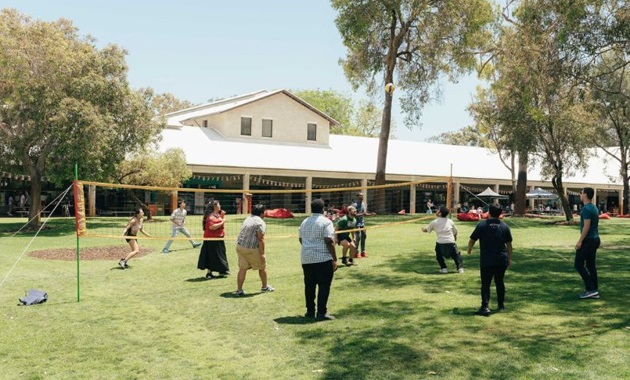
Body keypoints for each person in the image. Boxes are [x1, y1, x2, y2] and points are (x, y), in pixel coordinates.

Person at [467, 204, 513, 316]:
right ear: (500, 213)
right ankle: (501, 305)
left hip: (487, 260)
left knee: (486, 284)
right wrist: (509, 258)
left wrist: (469, 249)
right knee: (499, 282)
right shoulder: (504, 226)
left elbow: (472, 239)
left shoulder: (482, 225)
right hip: (501, 259)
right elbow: (509, 245)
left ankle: (485, 306)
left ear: (489, 213)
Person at [299, 198, 338, 320]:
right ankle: (321, 312)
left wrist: (309, 247)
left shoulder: (304, 222)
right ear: (323, 209)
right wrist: (335, 259)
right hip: (322, 258)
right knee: (324, 286)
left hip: (307, 258)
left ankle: (310, 311)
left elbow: (301, 239)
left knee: (309, 286)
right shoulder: (326, 222)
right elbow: (329, 240)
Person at [234, 204, 275, 295]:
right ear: (261, 213)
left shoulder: (247, 219)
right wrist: (262, 254)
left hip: (240, 246)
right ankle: (265, 287)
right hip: (251, 248)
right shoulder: (260, 222)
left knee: (242, 268)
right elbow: (260, 239)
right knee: (262, 267)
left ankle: (239, 290)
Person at [575, 187, 600, 299]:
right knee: (590, 265)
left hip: (589, 240)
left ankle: (590, 289)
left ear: (585, 195)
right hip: (595, 239)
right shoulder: (594, 208)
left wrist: (580, 241)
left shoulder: (586, 209)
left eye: (581, 192)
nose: (580, 194)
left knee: (578, 264)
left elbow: (587, 226)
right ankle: (594, 290)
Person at [423, 206, 464, 274]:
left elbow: (426, 230)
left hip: (440, 242)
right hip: (451, 241)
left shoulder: (434, 222)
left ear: (440, 213)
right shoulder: (450, 221)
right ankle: (460, 268)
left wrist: (423, 229)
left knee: (439, 256)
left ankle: (444, 268)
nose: (436, 211)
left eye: (438, 210)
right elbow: (455, 231)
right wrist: (455, 237)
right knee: (456, 255)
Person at [197, 199, 230, 279]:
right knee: (211, 256)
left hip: (219, 238)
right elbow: (212, 227)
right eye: (219, 205)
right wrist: (223, 221)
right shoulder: (211, 216)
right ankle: (209, 273)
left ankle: (222, 270)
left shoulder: (216, 215)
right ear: (215, 206)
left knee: (220, 254)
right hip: (212, 239)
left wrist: (222, 217)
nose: (220, 206)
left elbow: (218, 221)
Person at [352, 192, 375, 258]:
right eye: (360, 196)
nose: (362, 197)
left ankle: (363, 252)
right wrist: (362, 214)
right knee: (358, 237)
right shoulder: (355, 205)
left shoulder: (363, 204)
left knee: (364, 236)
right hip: (356, 223)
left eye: (362, 195)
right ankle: (356, 253)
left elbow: (365, 213)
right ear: (358, 196)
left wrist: (371, 214)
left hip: (362, 223)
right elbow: (354, 215)